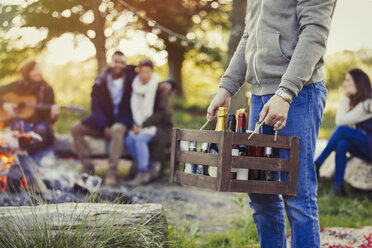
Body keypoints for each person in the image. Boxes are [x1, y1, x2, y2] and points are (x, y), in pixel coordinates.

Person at [206, 1, 336, 247]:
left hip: (298, 94)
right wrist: (227, 87)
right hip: (259, 95)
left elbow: (315, 32)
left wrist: (285, 93)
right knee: (260, 193)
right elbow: (249, 35)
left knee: (297, 194)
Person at [71, 51, 136, 186]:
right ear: (111, 62)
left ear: (125, 64)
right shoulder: (100, 81)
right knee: (76, 128)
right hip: (103, 122)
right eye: (116, 61)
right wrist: (104, 125)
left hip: (122, 122)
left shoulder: (131, 79)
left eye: (122, 62)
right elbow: (95, 106)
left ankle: (112, 171)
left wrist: (168, 84)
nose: (118, 65)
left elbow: (149, 80)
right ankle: (88, 168)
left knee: (117, 129)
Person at [315, 69, 372, 196]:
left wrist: (344, 98)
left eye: (347, 80)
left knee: (341, 131)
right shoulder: (361, 104)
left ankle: (318, 163)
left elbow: (340, 122)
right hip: (368, 146)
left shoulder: (367, 104)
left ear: (357, 83)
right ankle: (338, 188)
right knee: (342, 143)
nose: (344, 84)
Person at [0, 59, 60, 162]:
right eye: (34, 70)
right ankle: (19, 158)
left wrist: (54, 115)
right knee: (19, 125)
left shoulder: (47, 90)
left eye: (38, 69)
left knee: (41, 129)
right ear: (27, 73)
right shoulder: (16, 86)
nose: (38, 72)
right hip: (21, 122)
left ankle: (36, 159)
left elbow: (50, 120)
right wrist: (4, 104)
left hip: (40, 123)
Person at [124, 60, 173, 185]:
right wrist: (136, 125)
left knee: (140, 139)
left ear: (152, 73)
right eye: (142, 72)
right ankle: (149, 167)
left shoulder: (159, 89)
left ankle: (142, 171)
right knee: (129, 140)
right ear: (138, 73)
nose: (144, 75)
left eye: (148, 72)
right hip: (140, 125)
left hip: (158, 127)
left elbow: (161, 113)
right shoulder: (135, 88)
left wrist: (142, 126)